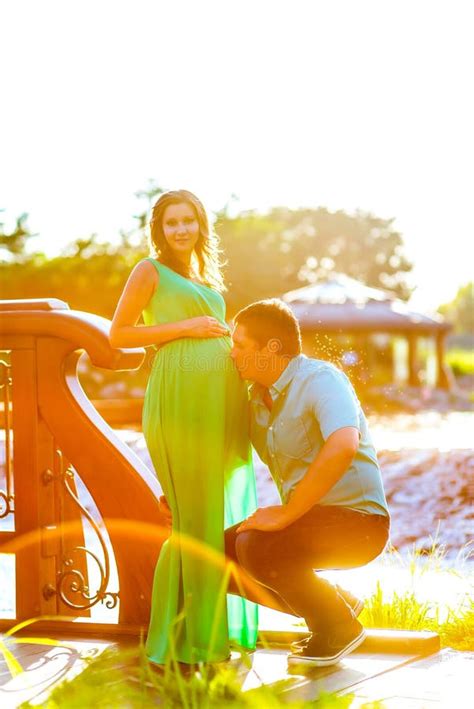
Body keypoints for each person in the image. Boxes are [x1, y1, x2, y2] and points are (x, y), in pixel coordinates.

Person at [109, 189, 258, 665]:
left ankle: (210, 629)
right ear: (159, 228)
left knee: (215, 514)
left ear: (200, 225)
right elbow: (119, 334)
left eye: (188, 221)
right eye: (171, 222)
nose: (180, 230)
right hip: (178, 400)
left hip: (220, 402)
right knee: (190, 517)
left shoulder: (204, 273)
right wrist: (186, 328)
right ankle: (184, 637)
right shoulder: (147, 271)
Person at [226, 298, 390, 667]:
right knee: (218, 555)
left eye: (239, 344)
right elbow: (214, 449)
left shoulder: (321, 379)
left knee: (253, 546)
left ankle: (337, 628)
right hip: (307, 523)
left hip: (359, 524)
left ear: (271, 348)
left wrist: (287, 513)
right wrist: (176, 495)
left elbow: (343, 444)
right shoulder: (253, 401)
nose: (231, 353)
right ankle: (336, 605)